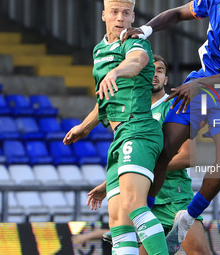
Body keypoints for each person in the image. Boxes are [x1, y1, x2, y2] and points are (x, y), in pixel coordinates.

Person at [121, 0, 220, 252]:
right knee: (164, 148)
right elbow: (176, 13)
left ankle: (186, 218)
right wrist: (147, 29)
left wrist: (203, 84)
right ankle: (145, 217)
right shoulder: (215, 1)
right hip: (202, 81)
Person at [63, 0, 168, 254]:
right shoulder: (99, 50)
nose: (120, 18)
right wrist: (84, 127)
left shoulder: (135, 42)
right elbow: (104, 100)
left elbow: (136, 61)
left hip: (139, 128)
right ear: (104, 15)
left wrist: (117, 72)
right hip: (119, 136)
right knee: (119, 221)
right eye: (114, 12)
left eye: (126, 13)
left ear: (133, 17)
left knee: (134, 204)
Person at [87, 55, 212, 255]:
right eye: (150, 70)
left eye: (160, 71)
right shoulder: (133, 112)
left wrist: (145, 169)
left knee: (199, 252)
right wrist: (110, 183)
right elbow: (130, 159)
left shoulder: (175, 107)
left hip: (174, 198)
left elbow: (188, 157)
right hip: (145, 203)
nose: (154, 74)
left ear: (166, 80)